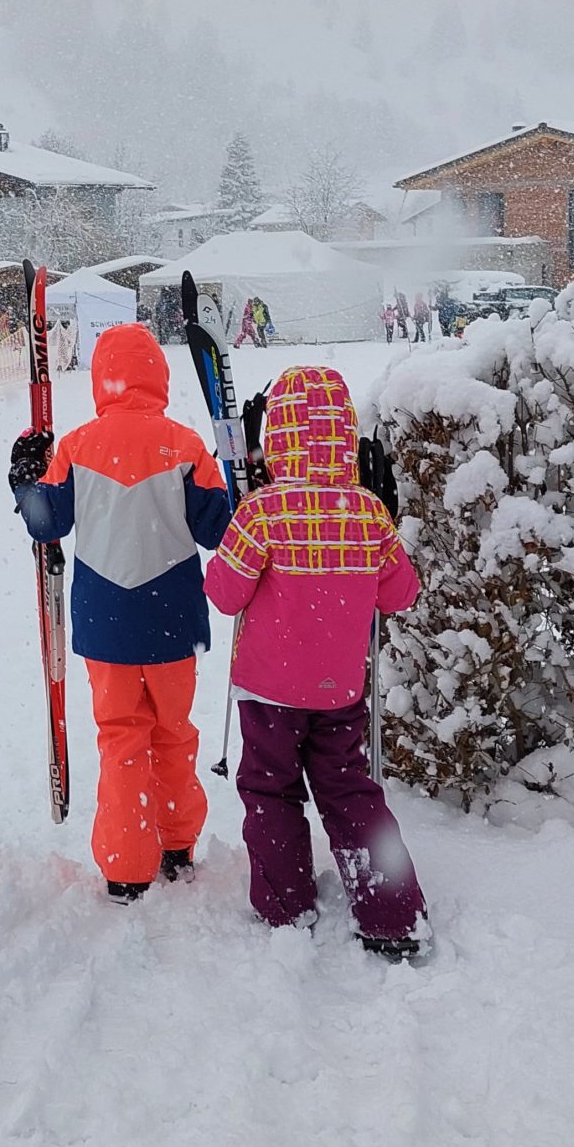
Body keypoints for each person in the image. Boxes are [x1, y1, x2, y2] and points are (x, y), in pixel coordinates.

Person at [204, 364, 431, 962]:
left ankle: (286, 905)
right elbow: (401, 595)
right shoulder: (367, 513)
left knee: (271, 791)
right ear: (343, 435)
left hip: (268, 691)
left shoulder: (262, 512)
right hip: (339, 690)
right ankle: (391, 912)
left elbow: (223, 593)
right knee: (349, 791)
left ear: (275, 434)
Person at [12, 323, 234, 901]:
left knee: (121, 741)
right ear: (158, 375)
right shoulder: (183, 445)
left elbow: (47, 523)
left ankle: (126, 864)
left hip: (105, 622)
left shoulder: (78, 446)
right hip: (174, 620)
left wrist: (23, 480)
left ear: (100, 380)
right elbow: (218, 530)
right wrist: (229, 478)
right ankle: (178, 842)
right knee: (174, 733)